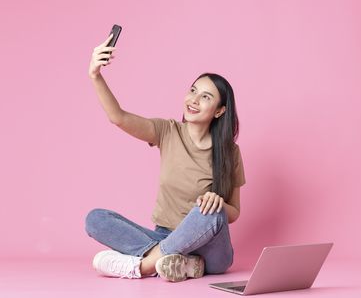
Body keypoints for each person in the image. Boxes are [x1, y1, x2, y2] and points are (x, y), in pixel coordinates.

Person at [85, 33, 246, 282]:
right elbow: (118, 117)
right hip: (164, 236)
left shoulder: (230, 152)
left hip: (212, 250)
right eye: (193, 91)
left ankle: (144, 266)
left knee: (210, 212)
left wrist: (218, 203)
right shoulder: (167, 132)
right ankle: (181, 263)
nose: (194, 100)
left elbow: (233, 212)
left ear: (220, 110)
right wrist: (95, 75)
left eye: (206, 97)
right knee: (95, 219)